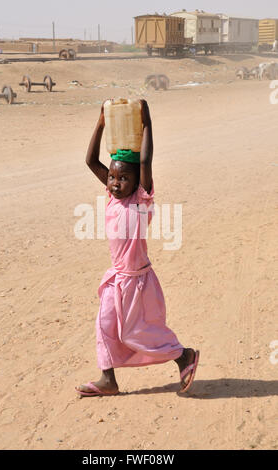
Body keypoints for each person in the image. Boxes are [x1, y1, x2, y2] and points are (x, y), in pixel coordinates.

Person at [76, 100, 199, 397]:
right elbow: (91, 160)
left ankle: (184, 356)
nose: (116, 183)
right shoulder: (111, 197)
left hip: (136, 282)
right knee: (105, 325)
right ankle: (108, 379)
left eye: (123, 178)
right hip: (117, 278)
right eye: (113, 178)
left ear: (137, 184)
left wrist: (147, 123)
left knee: (134, 333)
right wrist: (102, 121)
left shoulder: (141, 201)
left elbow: (144, 163)